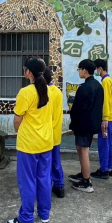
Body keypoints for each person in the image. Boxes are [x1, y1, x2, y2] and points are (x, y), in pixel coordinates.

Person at [6, 58, 53, 223]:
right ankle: (44, 213)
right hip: (46, 142)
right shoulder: (49, 90)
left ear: (28, 72)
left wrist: (19, 131)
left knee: (27, 181)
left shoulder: (25, 92)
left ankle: (26, 218)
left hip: (28, 144)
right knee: (44, 178)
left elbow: (17, 119)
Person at [68, 59, 104, 193]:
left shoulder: (85, 87)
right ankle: (84, 174)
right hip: (91, 124)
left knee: (83, 151)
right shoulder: (98, 86)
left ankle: (86, 181)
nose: (79, 72)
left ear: (84, 70)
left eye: (79, 69)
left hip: (83, 124)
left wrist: (73, 122)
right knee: (82, 149)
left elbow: (78, 109)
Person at [91, 59, 112, 180]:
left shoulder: (105, 82)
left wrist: (105, 118)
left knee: (104, 144)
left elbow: (105, 101)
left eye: (96, 69)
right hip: (111, 118)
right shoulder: (108, 80)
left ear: (100, 69)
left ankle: (104, 170)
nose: (95, 72)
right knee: (110, 143)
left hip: (107, 118)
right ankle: (110, 168)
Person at [43, 67, 65, 198]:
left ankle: (45, 186)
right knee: (56, 161)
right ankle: (59, 185)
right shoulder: (57, 91)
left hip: (44, 134)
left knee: (44, 163)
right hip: (55, 132)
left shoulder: (44, 91)